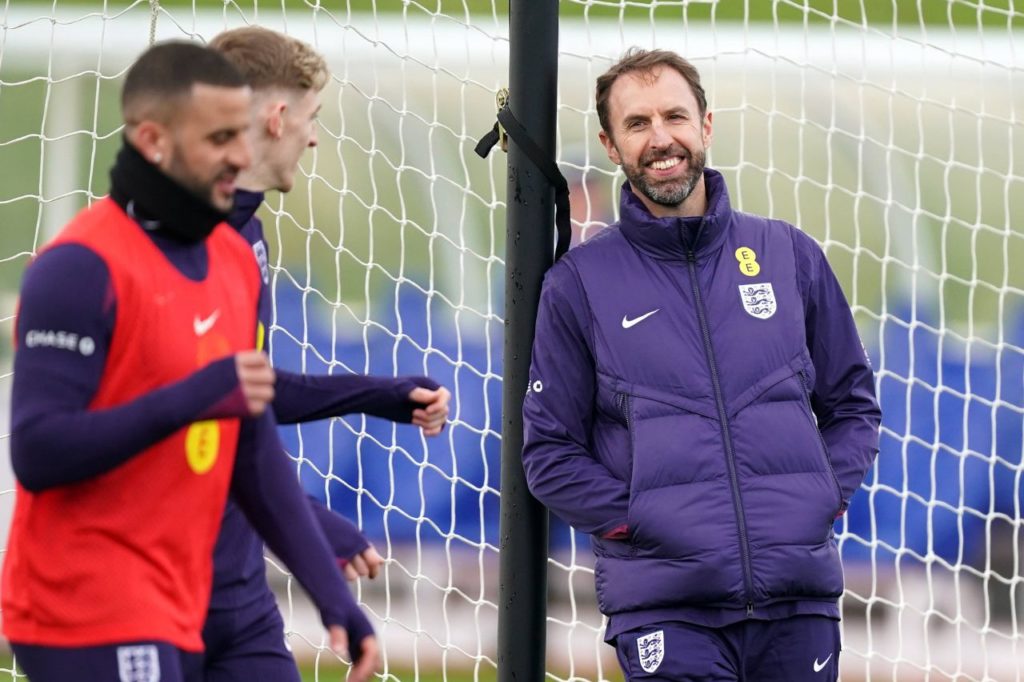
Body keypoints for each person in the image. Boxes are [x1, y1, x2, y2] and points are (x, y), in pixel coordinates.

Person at [3, 41, 376, 682]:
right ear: (154, 141)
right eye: (221, 136)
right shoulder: (78, 266)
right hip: (81, 609)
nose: (241, 152)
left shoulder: (233, 259)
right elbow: (37, 452)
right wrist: (197, 395)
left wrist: (334, 597)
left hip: (181, 602)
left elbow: (254, 457)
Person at [522, 48, 881, 681]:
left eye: (674, 117)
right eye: (637, 124)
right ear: (610, 144)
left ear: (706, 126)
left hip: (798, 603)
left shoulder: (788, 254)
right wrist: (643, 520)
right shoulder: (579, 284)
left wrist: (819, 495)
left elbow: (852, 403)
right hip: (665, 608)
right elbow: (549, 454)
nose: (661, 139)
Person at [201, 26, 451, 681]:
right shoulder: (177, 244)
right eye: (312, 119)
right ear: (278, 117)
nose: (314, 138)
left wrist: (381, 395)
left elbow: (246, 392)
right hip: (161, 585)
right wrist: (311, 526)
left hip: (238, 589)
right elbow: (194, 410)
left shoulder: (245, 232)